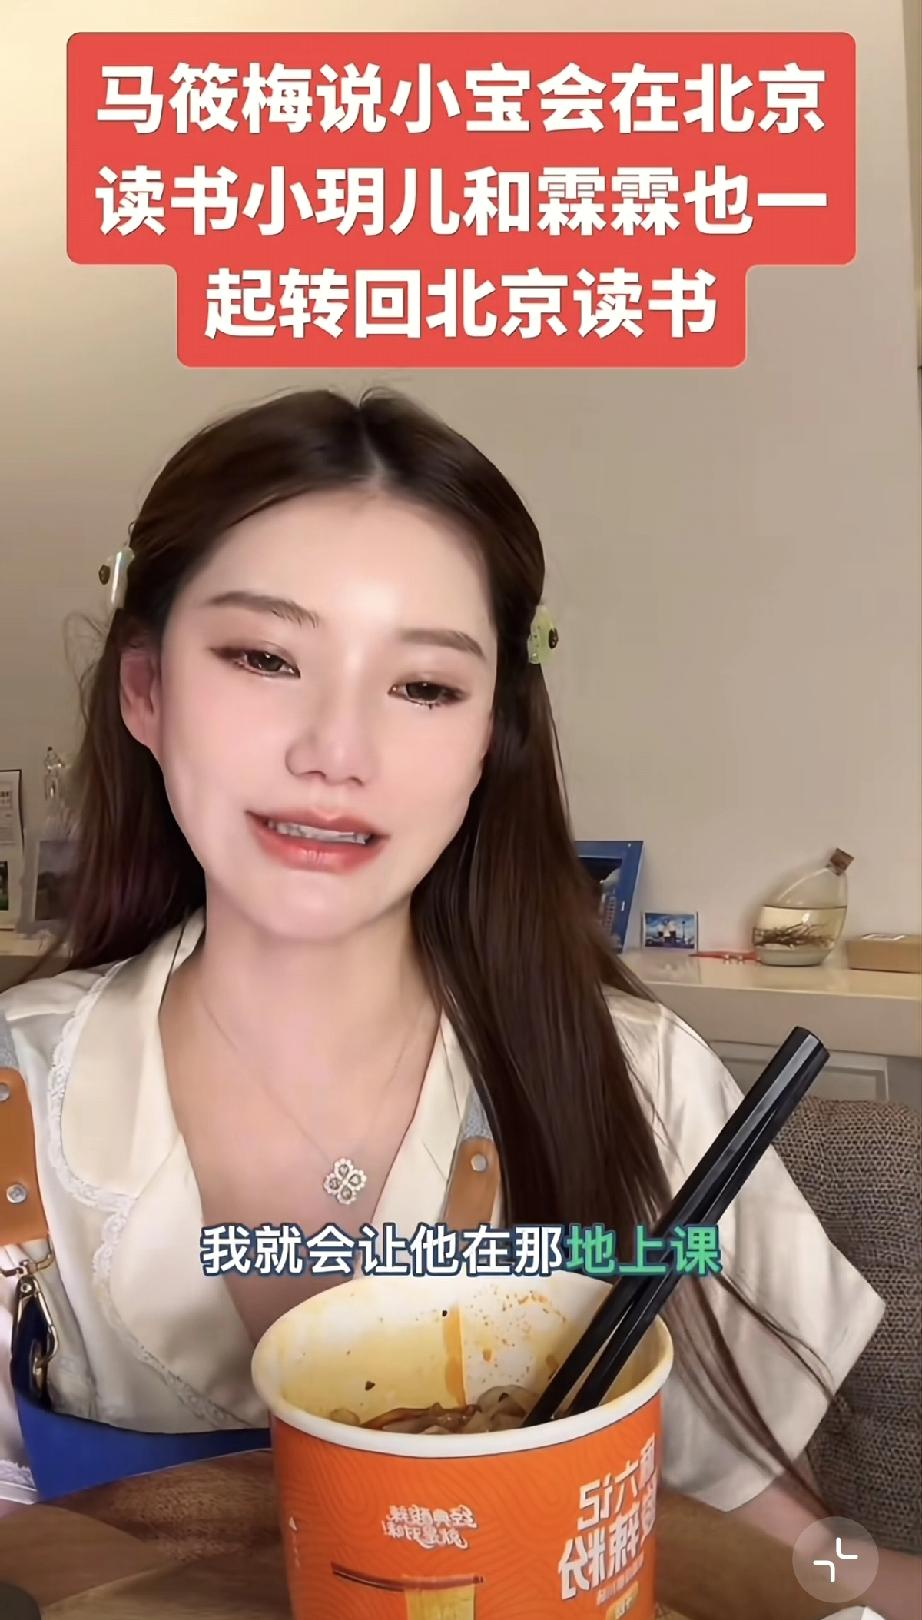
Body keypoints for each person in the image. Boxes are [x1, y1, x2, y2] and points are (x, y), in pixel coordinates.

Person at [0, 389, 916, 1613]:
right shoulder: (17, 1092)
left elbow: (775, 1549)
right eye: (264, 658)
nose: (337, 751)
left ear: (490, 736)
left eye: (425, 686)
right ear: (146, 693)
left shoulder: (634, 1081)